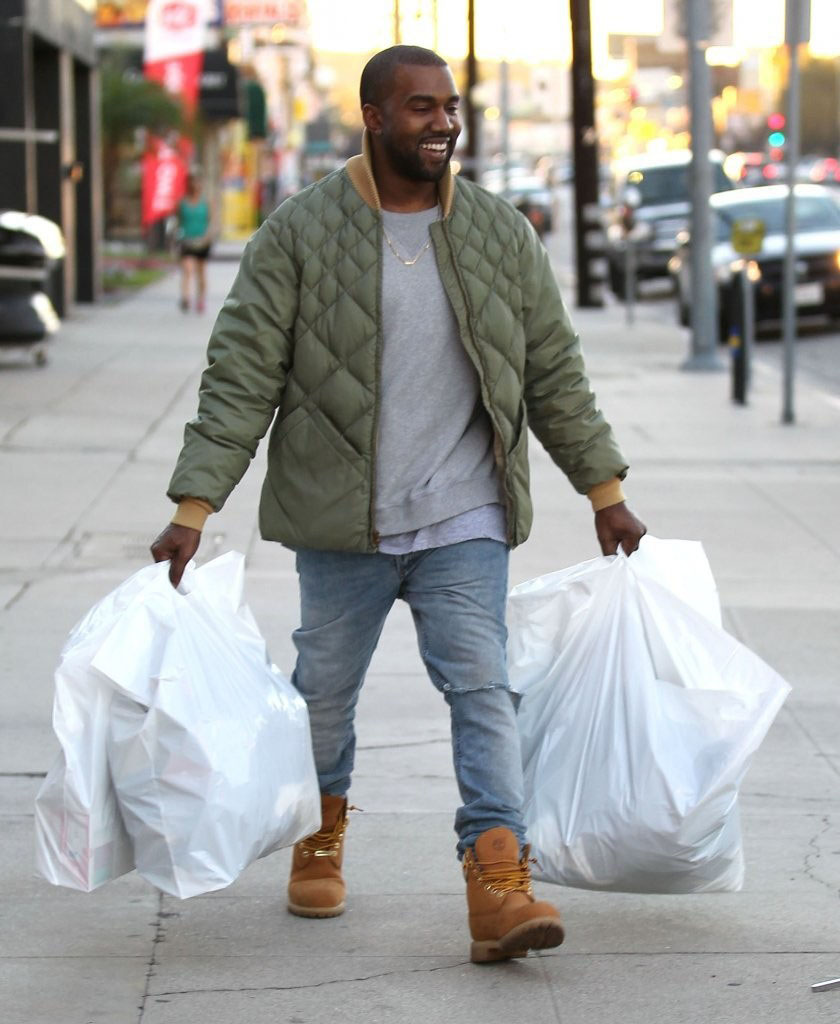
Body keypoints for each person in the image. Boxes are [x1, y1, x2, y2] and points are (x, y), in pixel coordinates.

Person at [151, 45, 646, 964]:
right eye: (421, 108)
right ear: (374, 117)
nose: (443, 123)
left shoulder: (500, 234)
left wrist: (604, 491)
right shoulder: (299, 234)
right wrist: (194, 505)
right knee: (325, 696)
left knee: (482, 689)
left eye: (449, 107)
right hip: (345, 522)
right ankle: (321, 829)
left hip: (466, 517)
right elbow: (241, 376)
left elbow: (553, 375)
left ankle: (499, 876)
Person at [176, 174, 213, 313]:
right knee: (187, 269)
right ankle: (185, 297)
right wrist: (177, 235)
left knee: (201, 271)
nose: (195, 185)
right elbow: (178, 220)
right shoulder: (182, 203)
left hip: (202, 241)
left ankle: (201, 298)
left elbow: (210, 221)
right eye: (192, 182)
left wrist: (208, 236)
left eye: (197, 182)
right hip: (186, 240)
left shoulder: (206, 202)